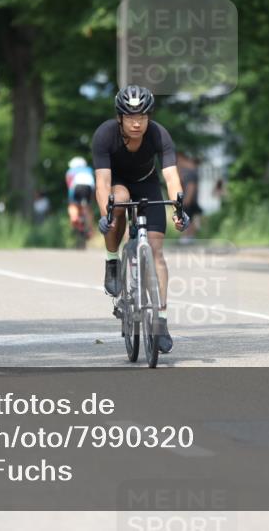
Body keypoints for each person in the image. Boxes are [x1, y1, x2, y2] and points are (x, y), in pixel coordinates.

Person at [92, 84, 188, 354]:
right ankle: (112, 260)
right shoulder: (105, 135)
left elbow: (171, 176)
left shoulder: (159, 134)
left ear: (149, 117)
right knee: (119, 199)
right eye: (131, 117)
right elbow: (103, 182)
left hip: (147, 184)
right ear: (119, 118)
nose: (137, 123)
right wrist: (106, 215)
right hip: (118, 184)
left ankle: (161, 321)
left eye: (142, 117)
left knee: (156, 252)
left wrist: (179, 210)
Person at [66, 156, 95, 239]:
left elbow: (70, 186)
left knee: (73, 205)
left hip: (77, 187)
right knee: (88, 208)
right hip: (89, 188)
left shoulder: (70, 171)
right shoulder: (89, 170)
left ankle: (75, 219)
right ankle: (89, 228)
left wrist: (71, 200)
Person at [176, 151, 203, 241]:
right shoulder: (190, 169)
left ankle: (186, 236)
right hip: (191, 199)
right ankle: (189, 236)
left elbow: (191, 187)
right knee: (191, 217)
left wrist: (186, 201)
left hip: (189, 199)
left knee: (187, 217)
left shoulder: (188, 171)